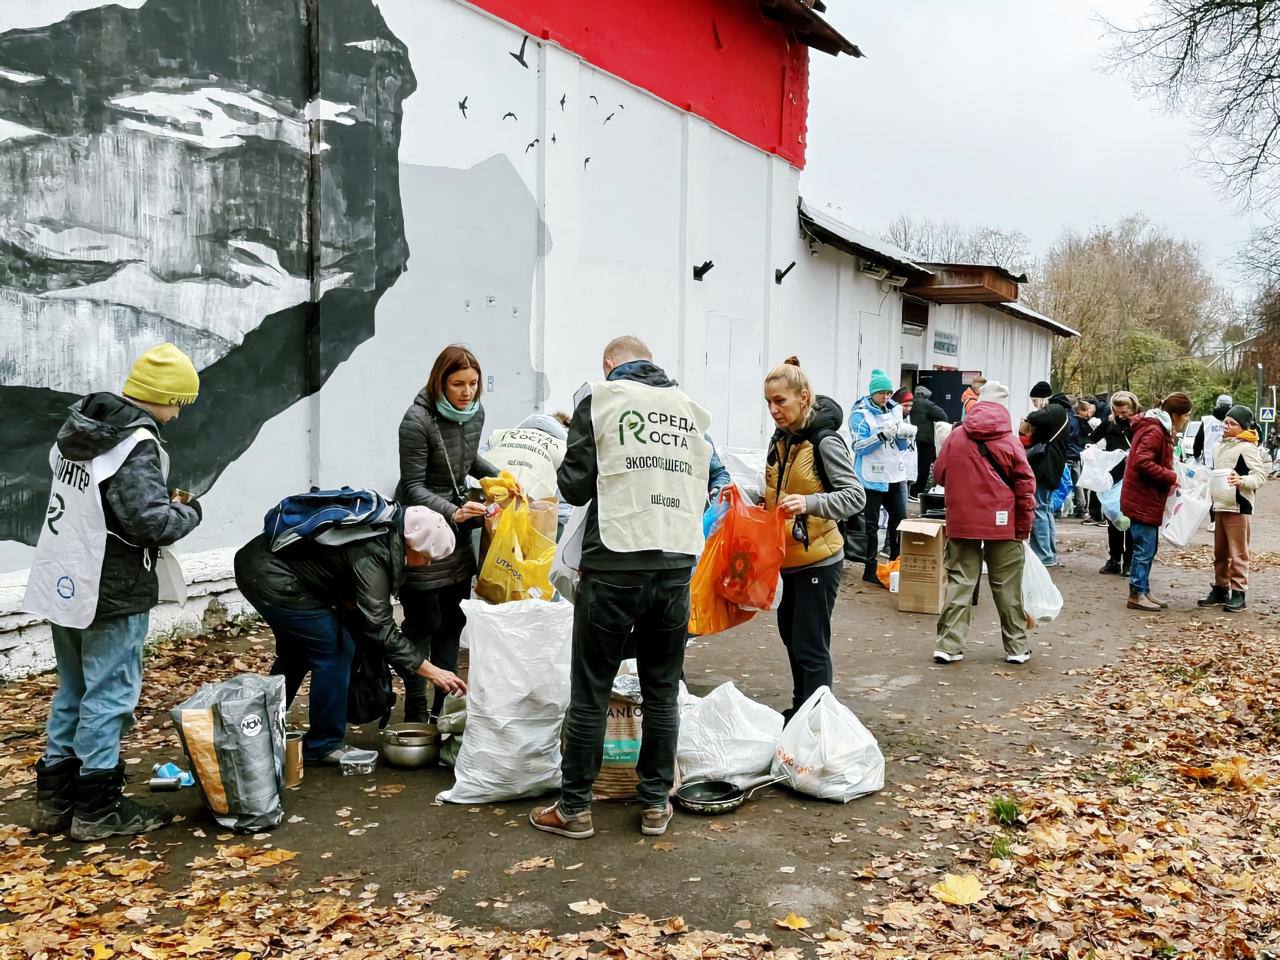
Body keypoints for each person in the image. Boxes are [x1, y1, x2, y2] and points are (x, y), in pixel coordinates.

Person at [530, 335, 711, 841]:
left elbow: (573, 486)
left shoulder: (601, 399)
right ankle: (655, 804)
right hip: (675, 565)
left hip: (614, 565)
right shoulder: (690, 408)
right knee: (662, 692)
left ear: (610, 364)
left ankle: (574, 809)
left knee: (590, 692)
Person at [25, 344, 203, 841]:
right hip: (113, 584)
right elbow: (147, 522)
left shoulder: (78, 428)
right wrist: (189, 510)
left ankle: (55, 803)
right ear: (166, 397)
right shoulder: (135, 442)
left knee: (74, 688)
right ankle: (98, 807)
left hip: (65, 574)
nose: (177, 414)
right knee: (110, 693)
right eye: (179, 403)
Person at [234, 505, 467, 761]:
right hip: (274, 578)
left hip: (260, 564)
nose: (428, 563)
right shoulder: (374, 554)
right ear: (412, 544)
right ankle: (323, 745)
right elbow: (379, 624)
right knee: (335, 653)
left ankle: (256, 728)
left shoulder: (386, 528)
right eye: (427, 556)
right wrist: (430, 670)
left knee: (299, 652)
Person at [396, 346, 499, 723]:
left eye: (473, 384)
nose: (467, 392)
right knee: (423, 623)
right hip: (422, 532)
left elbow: (467, 460)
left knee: (453, 621)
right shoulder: (416, 421)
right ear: (440, 381)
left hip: (458, 531)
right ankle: (415, 708)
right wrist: (452, 511)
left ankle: (444, 708)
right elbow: (412, 486)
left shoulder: (476, 413)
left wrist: (498, 479)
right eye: (458, 384)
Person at [762, 358, 865, 716]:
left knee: (810, 645)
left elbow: (855, 496)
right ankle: (800, 711)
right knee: (791, 638)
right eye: (769, 403)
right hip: (788, 559)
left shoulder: (825, 442)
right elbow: (779, 492)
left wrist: (808, 502)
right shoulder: (782, 439)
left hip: (819, 559)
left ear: (803, 398)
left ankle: (819, 722)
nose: (774, 409)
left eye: (781, 401)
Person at [931, 381, 1036, 665]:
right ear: (1004, 407)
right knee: (1007, 586)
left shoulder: (956, 436)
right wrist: (1022, 528)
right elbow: (1026, 487)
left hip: (962, 522)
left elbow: (939, 475)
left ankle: (948, 646)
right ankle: (1016, 647)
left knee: (960, 583)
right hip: (1003, 525)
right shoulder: (1010, 440)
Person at [1121, 392, 1193, 611]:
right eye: (1186, 415)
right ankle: (1137, 593)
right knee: (1144, 548)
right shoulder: (1155, 430)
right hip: (1143, 497)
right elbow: (1143, 462)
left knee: (1149, 548)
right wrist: (1171, 476)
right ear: (1175, 414)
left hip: (1147, 497)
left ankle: (1143, 589)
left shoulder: (1158, 428)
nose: (1187, 419)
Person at [1197, 405, 1267, 612]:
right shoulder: (1221, 445)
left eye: (1232, 423)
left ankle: (1239, 593)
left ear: (1243, 426)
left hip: (1239, 505)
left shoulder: (1247, 447)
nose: (1226, 426)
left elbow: (1260, 476)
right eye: (1225, 422)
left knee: (1238, 553)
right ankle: (1220, 589)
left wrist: (1242, 480)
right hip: (1220, 504)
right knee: (1220, 552)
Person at [849, 369, 911, 587]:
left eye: (888, 392)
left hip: (895, 474)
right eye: (882, 393)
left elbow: (901, 444)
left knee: (899, 522)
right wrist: (880, 436)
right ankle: (870, 568)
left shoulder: (896, 410)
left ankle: (895, 565)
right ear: (872, 393)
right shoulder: (860, 413)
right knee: (871, 526)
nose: (886, 397)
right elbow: (858, 446)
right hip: (871, 476)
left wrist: (905, 437)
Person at [1090, 391, 1139, 576]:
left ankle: (1129, 561)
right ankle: (1114, 559)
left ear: (1133, 408)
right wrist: (1096, 450)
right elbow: (1092, 440)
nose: (1120, 416)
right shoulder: (1109, 423)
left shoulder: (1140, 424)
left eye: (1124, 412)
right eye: (1117, 411)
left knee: (1131, 521)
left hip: (1133, 477)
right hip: (1113, 477)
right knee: (1114, 520)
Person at [1023, 381, 1071, 566]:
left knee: (1039, 509)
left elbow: (1034, 417)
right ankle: (1048, 553)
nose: (1034, 404)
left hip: (1046, 465)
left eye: (1035, 400)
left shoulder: (1055, 409)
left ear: (1043, 397)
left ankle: (1043, 555)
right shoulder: (1061, 411)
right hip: (1053, 464)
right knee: (1046, 509)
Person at [909, 385, 950, 499]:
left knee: (912, 466)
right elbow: (943, 415)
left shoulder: (909, 403)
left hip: (910, 440)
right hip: (925, 441)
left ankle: (910, 491)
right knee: (924, 468)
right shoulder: (927, 404)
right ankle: (917, 492)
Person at [1065, 398, 1095, 520]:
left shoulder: (1069, 420)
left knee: (1066, 482)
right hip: (1077, 453)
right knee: (1078, 483)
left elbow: (1068, 437)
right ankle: (1081, 507)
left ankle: (1060, 508)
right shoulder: (1083, 423)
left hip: (1068, 453)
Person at [1193, 394, 1233, 467]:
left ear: (1217, 405)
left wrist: (1196, 455)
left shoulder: (1207, 422)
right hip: (1228, 465)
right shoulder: (1235, 422)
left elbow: (1198, 440)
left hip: (1209, 463)